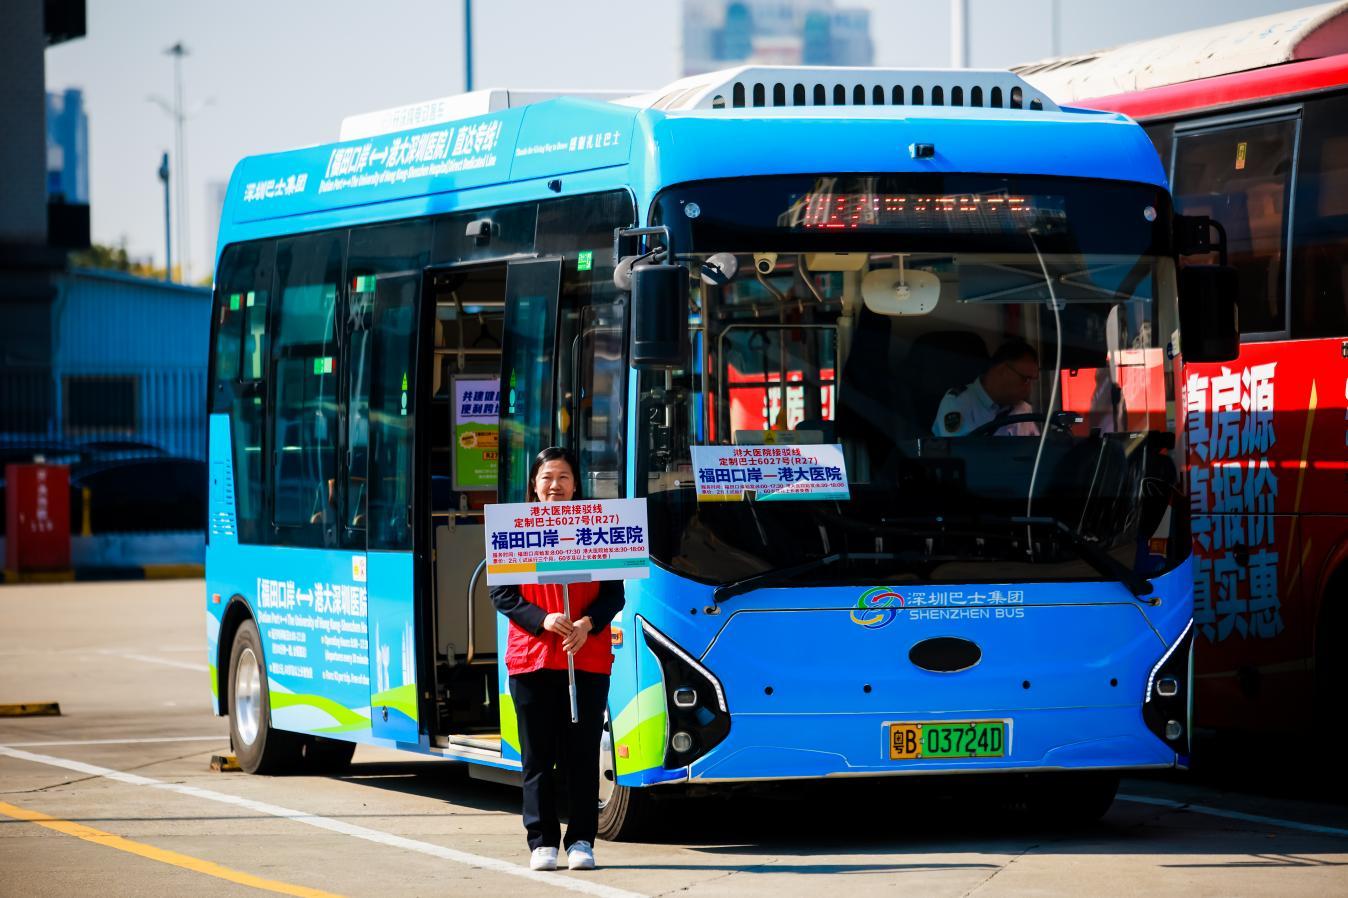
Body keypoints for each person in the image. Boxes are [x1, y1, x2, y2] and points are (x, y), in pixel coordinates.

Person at [490, 446, 624, 872]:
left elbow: (614, 594)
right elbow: (502, 593)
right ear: (534, 484)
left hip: (586, 658)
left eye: (563, 477)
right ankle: (542, 840)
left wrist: (587, 624)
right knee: (537, 757)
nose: (555, 486)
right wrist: (542, 619)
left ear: (576, 484)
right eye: (547, 477)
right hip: (531, 658)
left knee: (582, 755)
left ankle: (582, 839)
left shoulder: (597, 527)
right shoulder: (513, 527)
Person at [933, 340, 1042, 437]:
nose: (1029, 389)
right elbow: (963, 453)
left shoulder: (1022, 409)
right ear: (1002, 370)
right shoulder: (959, 403)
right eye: (1025, 379)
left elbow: (1035, 452)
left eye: (1032, 381)